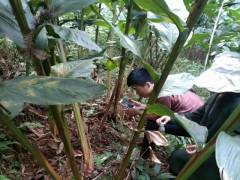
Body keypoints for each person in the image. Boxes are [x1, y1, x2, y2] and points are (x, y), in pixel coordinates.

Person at [157, 51, 240, 180]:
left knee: (183, 161)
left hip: (222, 158)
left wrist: (207, 147)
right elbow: (196, 116)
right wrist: (172, 117)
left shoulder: (237, 105)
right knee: (177, 157)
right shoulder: (216, 96)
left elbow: (234, 142)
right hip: (207, 146)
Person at [126, 68, 205, 157]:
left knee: (152, 124)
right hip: (193, 117)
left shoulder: (163, 93)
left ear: (148, 85)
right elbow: (163, 110)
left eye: (136, 89)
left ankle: (145, 154)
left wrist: (138, 112)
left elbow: (162, 117)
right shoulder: (161, 86)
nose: (137, 93)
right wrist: (143, 107)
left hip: (196, 125)